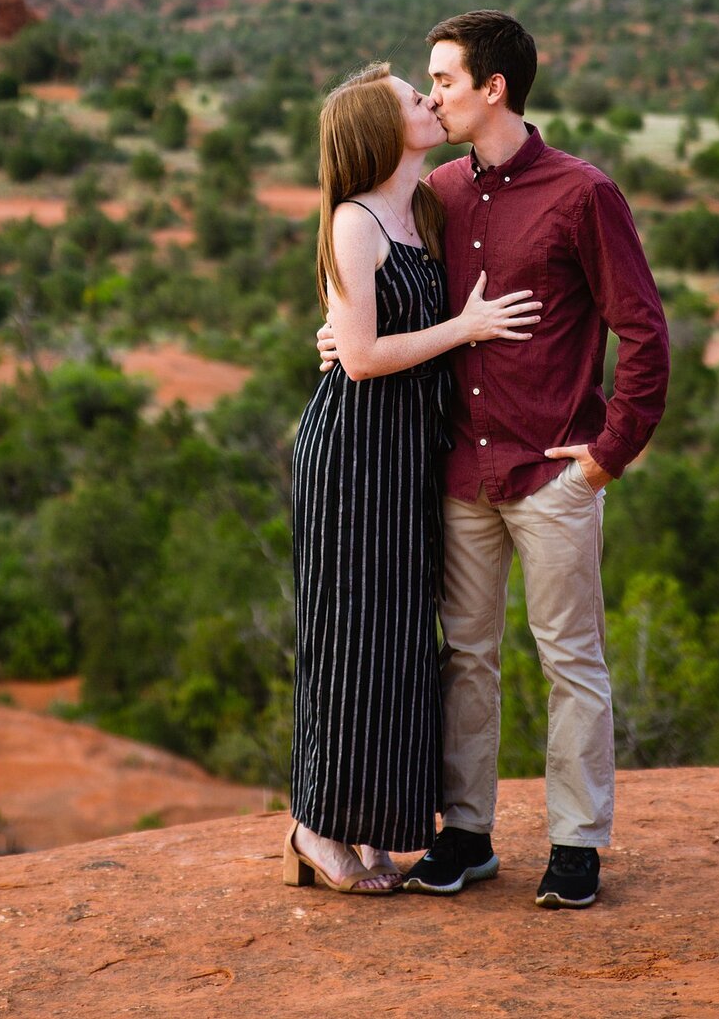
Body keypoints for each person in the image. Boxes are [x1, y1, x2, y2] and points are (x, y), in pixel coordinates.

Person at [319, 12, 670, 908]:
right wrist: (335, 336)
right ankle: (466, 834)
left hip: (553, 472)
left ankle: (576, 844)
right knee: (465, 658)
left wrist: (606, 455)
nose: (432, 95)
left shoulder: (584, 193)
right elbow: (373, 279)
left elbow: (644, 331)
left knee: (571, 662)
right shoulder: (437, 192)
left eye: (442, 80)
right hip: (459, 475)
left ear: (493, 89)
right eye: (428, 84)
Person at [285, 61, 543, 895]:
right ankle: (312, 824)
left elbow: (351, 330)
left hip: (406, 457)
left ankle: (366, 827)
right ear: (376, 129)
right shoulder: (356, 221)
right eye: (411, 100)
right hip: (354, 454)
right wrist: (464, 328)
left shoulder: (424, 205)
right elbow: (357, 360)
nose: (428, 102)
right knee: (343, 639)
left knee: (394, 645)